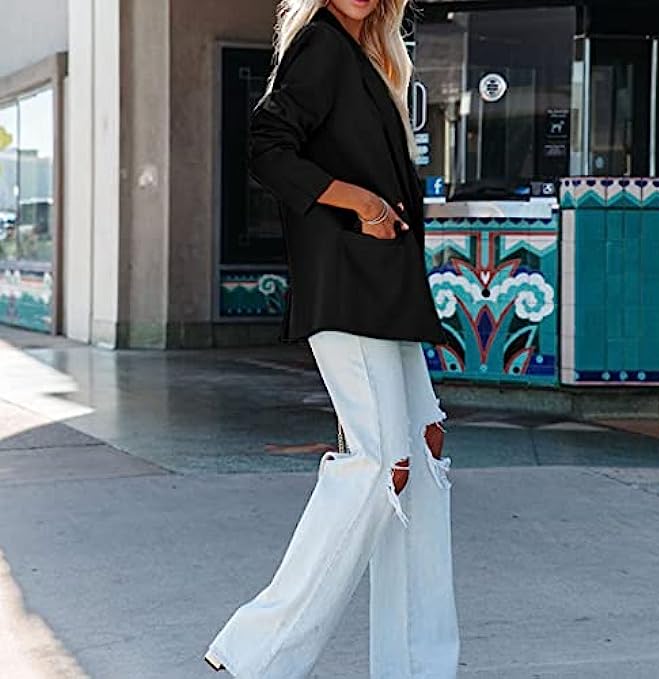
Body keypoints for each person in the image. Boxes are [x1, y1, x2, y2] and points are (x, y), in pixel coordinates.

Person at [204, 1, 460, 676]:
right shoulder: (320, 46)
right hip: (346, 286)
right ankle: (256, 652)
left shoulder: (366, 57)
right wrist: (362, 202)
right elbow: (267, 148)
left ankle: (418, 665)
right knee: (380, 464)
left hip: (385, 287)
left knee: (424, 449)